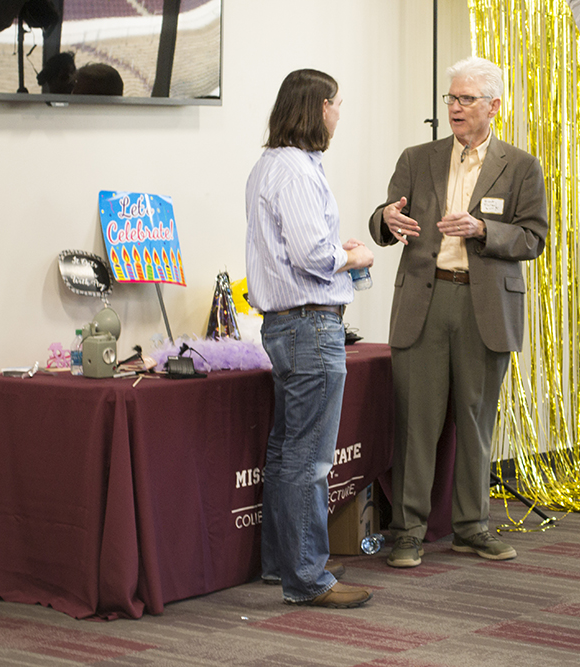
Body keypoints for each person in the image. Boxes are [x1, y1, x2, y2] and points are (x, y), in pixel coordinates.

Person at [369, 57, 548, 568]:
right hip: (424, 301)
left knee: (475, 420)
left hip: (482, 303)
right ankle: (406, 531)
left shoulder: (521, 166)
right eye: (450, 98)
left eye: (466, 99)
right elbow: (385, 219)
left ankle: (472, 526)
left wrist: (483, 231)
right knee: (416, 422)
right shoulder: (416, 157)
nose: (454, 107)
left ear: (494, 106)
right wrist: (387, 219)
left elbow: (534, 237)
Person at [245, 68, 375, 608]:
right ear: (320, 106)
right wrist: (356, 256)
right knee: (308, 459)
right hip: (309, 325)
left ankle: (288, 561)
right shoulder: (296, 171)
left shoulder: (270, 165)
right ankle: (307, 577)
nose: (341, 113)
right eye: (339, 104)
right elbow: (314, 257)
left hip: (286, 323)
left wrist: (333, 253)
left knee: (284, 454)